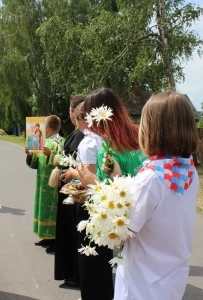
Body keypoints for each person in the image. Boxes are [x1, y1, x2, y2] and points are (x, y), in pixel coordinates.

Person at [113, 91, 199, 300]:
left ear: (151, 129)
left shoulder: (150, 179)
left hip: (141, 285)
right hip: (172, 279)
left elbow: (123, 234)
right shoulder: (189, 171)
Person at [77, 87, 147, 300]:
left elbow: (109, 199)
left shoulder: (106, 152)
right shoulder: (141, 135)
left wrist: (90, 183)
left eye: (89, 115)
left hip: (130, 225)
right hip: (152, 216)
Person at [53, 94, 85, 286]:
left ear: (73, 112)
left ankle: (75, 273)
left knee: (73, 234)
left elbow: (79, 163)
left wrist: (66, 166)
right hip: (68, 186)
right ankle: (70, 271)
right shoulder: (76, 133)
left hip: (75, 190)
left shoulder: (83, 136)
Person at [25, 115, 63, 252]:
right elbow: (35, 163)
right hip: (42, 182)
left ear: (47, 128)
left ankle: (55, 240)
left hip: (52, 186)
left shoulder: (60, 142)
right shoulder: (43, 142)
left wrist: (51, 154)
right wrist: (30, 154)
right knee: (43, 211)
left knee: (53, 213)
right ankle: (46, 237)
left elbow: (64, 161)